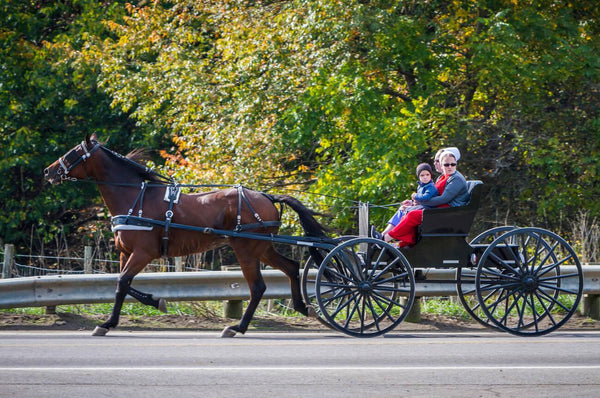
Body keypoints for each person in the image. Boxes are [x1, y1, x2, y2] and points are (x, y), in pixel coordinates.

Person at [383, 150, 469, 247]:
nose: (450, 167)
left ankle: (386, 238)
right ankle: (403, 243)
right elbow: (433, 196)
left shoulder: (456, 179)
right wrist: (414, 202)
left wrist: (419, 200)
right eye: (446, 164)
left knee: (412, 215)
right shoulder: (444, 177)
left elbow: (443, 199)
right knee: (407, 212)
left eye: (453, 164)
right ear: (442, 165)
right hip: (441, 210)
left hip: (449, 213)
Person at [372, 163, 439, 239]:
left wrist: (415, 196)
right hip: (422, 207)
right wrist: (412, 202)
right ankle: (383, 234)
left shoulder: (430, 187)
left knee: (405, 210)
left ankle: (387, 237)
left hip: (428, 210)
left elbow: (425, 197)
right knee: (402, 208)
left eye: (427, 175)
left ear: (430, 175)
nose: (425, 177)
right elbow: (420, 200)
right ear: (419, 177)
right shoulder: (421, 186)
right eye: (422, 175)